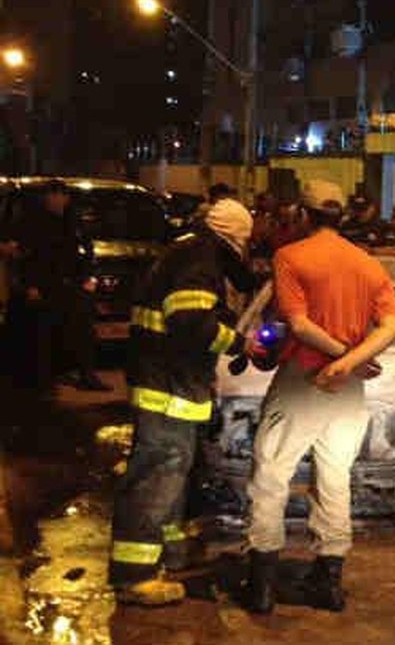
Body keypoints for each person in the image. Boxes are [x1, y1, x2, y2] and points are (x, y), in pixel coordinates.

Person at [245, 180, 395, 614]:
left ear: (304, 215)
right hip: (349, 391)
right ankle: (329, 582)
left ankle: (261, 586)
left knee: (271, 474)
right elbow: (391, 327)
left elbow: (296, 324)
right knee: (335, 479)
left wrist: (339, 357)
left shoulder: (290, 256)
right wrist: (353, 361)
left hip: (303, 380)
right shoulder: (369, 265)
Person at [108, 199, 256, 605]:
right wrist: (241, 343)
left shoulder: (186, 251)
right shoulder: (200, 259)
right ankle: (133, 576)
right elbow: (191, 322)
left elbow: (198, 311)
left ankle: (168, 555)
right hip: (167, 388)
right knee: (156, 478)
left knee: (172, 476)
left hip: (167, 383)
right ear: (236, 238)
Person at [9, 179, 109, 392]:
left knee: (83, 331)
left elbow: (85, 251)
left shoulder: (74, 222)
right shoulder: (33, 223)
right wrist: (31, 285)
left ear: (66, 198)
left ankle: (87, 375)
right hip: (46, 285)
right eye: (51, 195)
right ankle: (44, 380)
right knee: (44, 334)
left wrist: (90, 277)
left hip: (73, 285)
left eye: (60, 195)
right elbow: (26, 257)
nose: (56, 199)